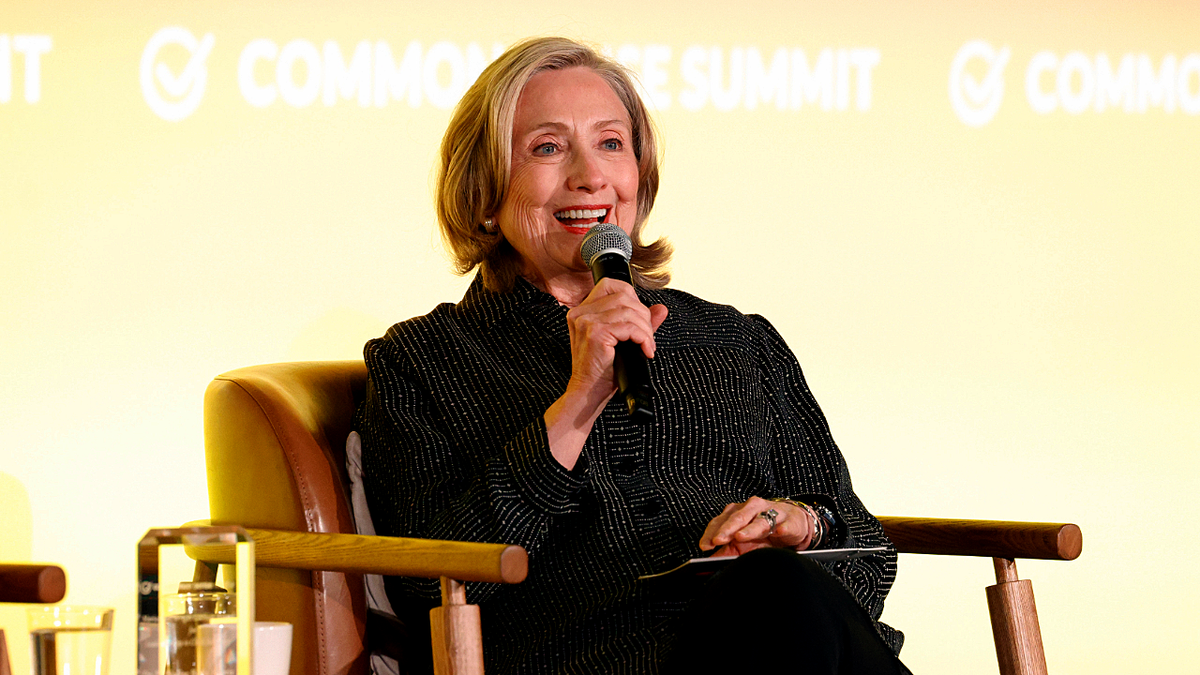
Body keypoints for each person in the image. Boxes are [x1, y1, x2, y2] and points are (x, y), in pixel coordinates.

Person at [355, 36, 910, 675]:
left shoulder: (737, 342)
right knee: (775, 592)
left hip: (799, 637)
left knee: (776, 586)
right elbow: (432, 585)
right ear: (484, 187)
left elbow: (868, 557)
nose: (590, 175)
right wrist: (576, 405)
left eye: (612, 144)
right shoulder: (423, 361)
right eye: (548, 147)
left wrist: (799, 524)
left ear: (639, 179)